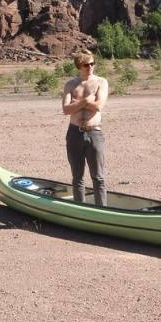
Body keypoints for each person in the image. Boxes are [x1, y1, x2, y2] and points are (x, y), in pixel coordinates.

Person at [61, 50, 109, 206]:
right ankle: (79, 210)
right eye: (86, 64)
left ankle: (102, 211)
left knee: (98, 177)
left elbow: (99, 106)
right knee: (77, 177)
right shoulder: (71, 84)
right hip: (74, 133)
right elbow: (66, 110)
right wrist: (86, 101)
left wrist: (78, 102)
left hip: (94, 132)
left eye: (92, 64)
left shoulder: (101, 82)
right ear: (79, 66)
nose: (90, 67)